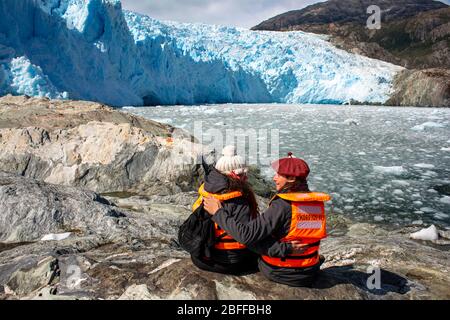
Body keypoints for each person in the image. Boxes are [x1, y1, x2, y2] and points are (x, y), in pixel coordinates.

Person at [204, 152, 331, 287]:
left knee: (254, 247)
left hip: (281, 272)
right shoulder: (316, 203)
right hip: (310, 271)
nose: (274, 178)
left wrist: (218, 212)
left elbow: (247, 236)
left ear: (292, 178)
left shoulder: (283, 205)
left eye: (278, 175)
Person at [191, 146, 291, 276]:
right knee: (266, 260)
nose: (246, 178)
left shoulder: (208, 189)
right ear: (233, 174)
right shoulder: (238, 200)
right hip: (228, 260)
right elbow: (248, 237)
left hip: (202, 256)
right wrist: (285, 249)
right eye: (243, 174)